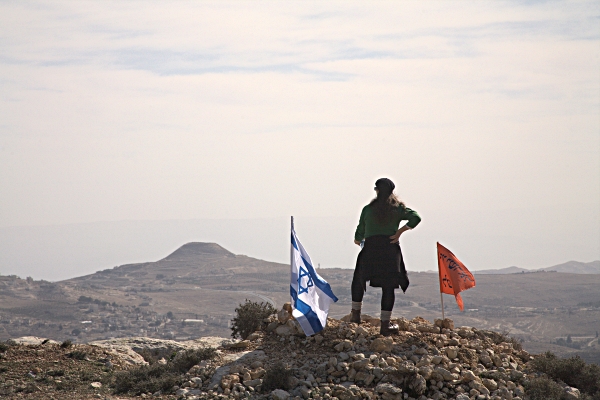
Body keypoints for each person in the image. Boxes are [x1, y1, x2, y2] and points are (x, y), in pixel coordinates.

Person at [351, 178, 421, 336]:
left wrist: (359, 240)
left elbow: (358, 233)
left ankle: (355, 316)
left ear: (376, 191)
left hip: (370, 249)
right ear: (392, 192)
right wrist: (399, 232)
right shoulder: (398, 209)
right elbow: (416, 217)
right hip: (390, 250)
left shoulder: (368, 209)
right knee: (388, 287)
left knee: (358, 279)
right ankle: (385, 325)